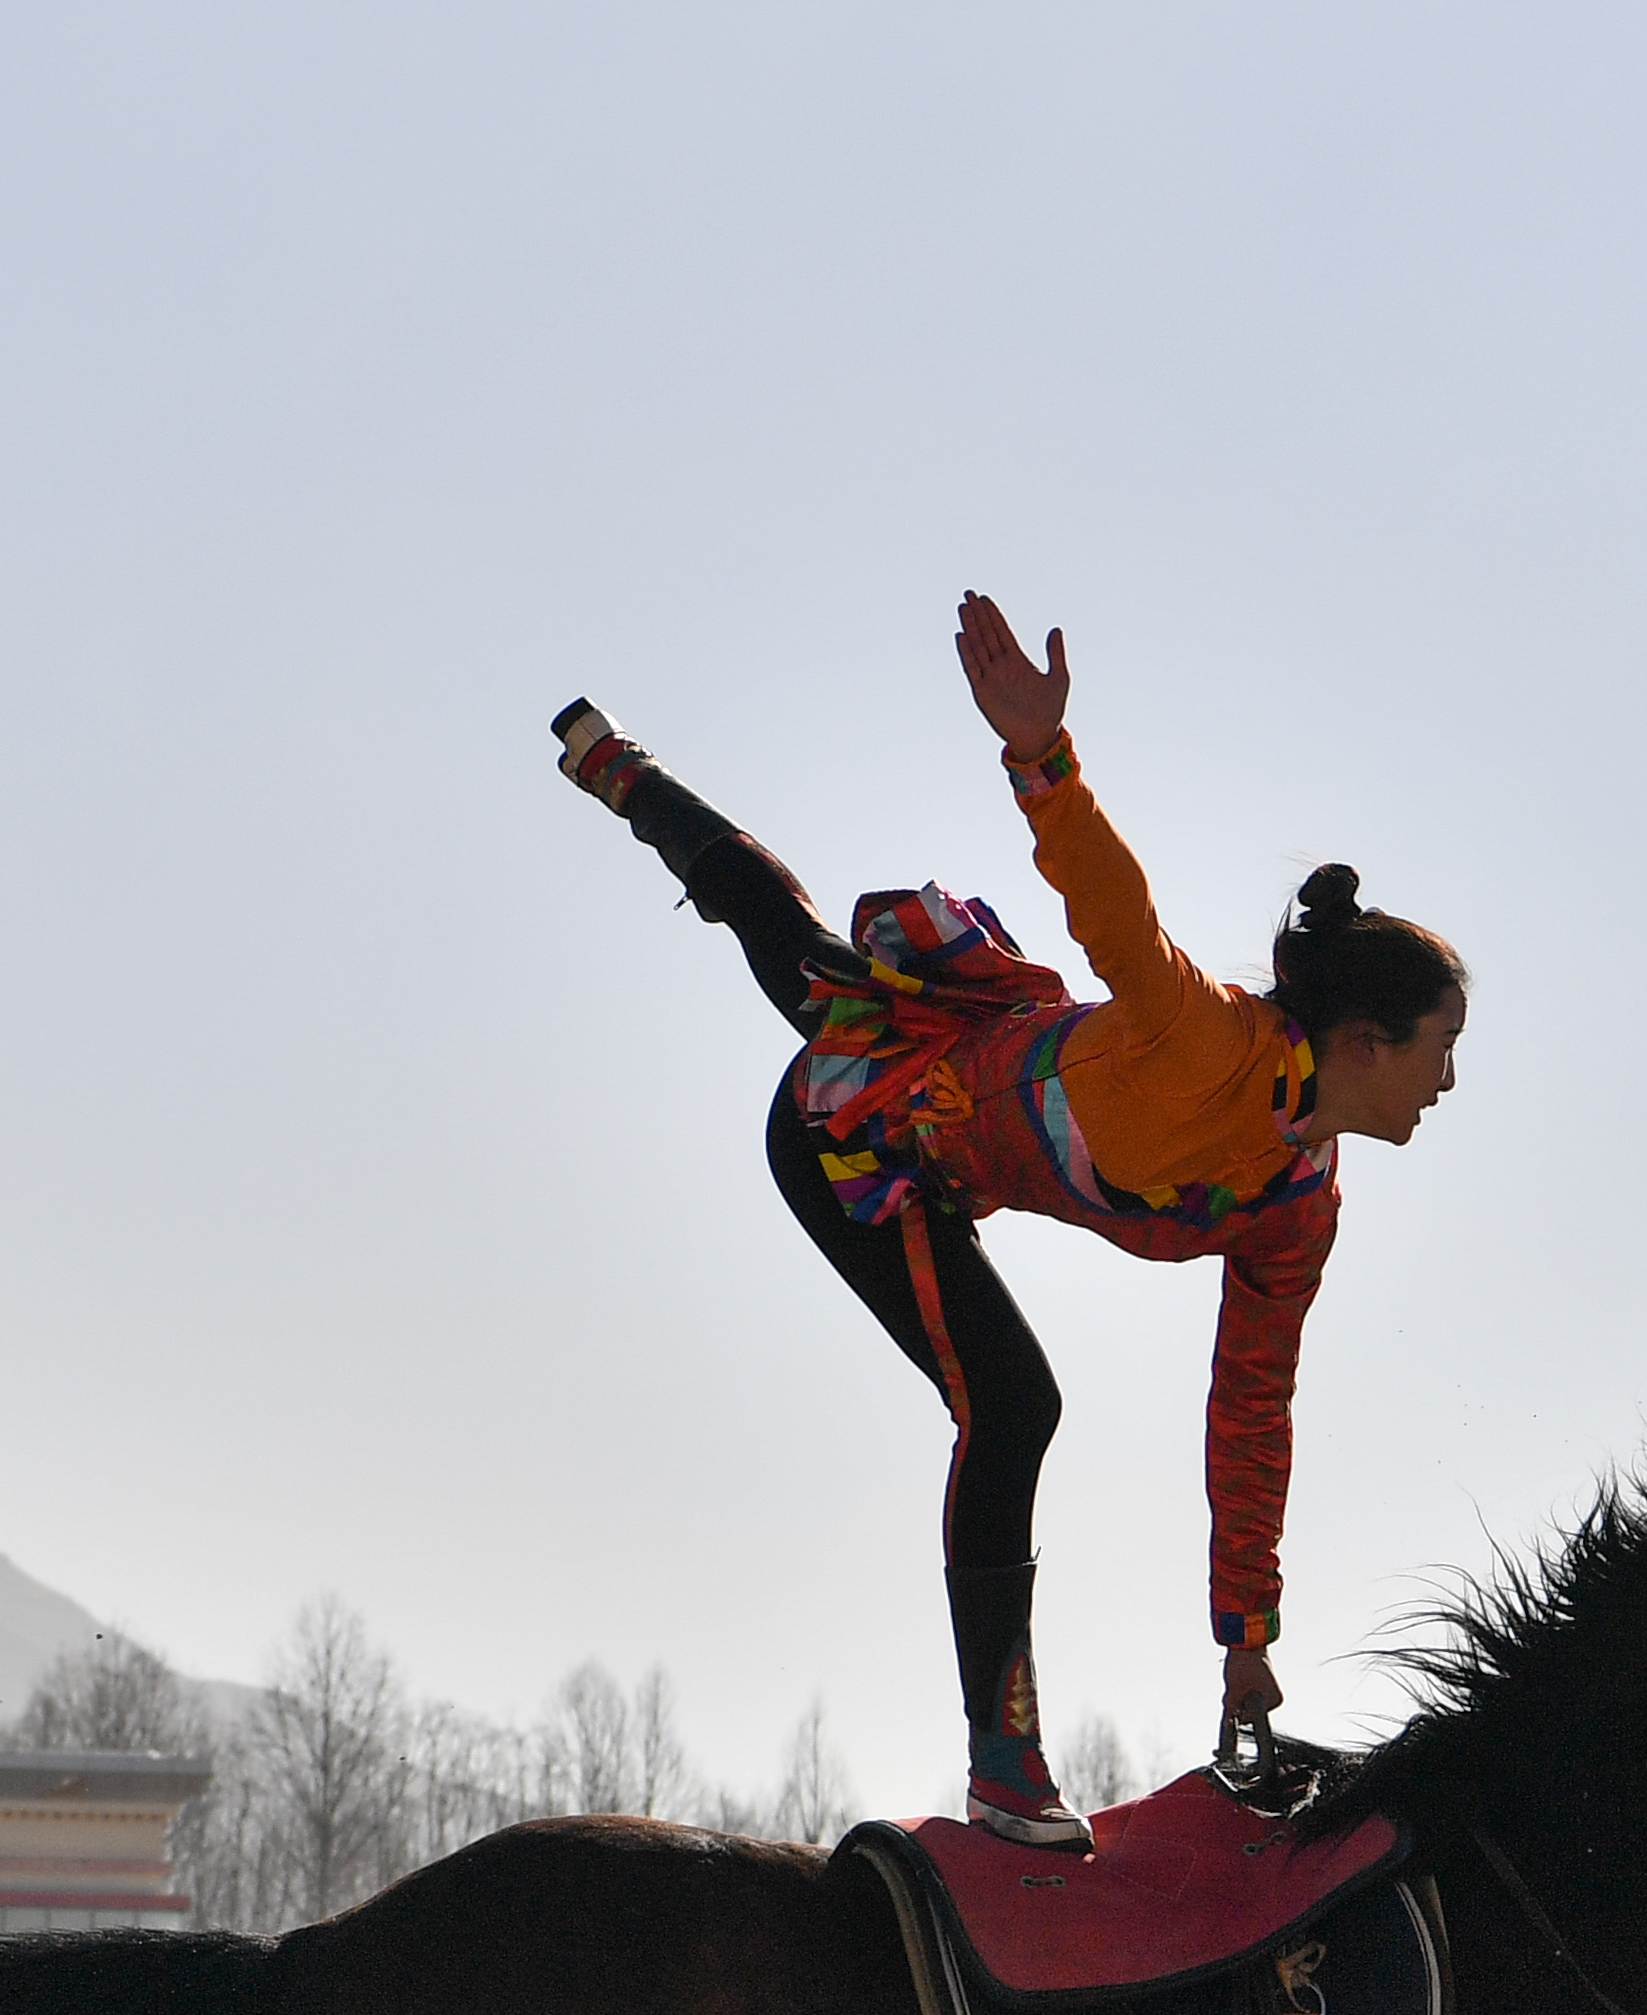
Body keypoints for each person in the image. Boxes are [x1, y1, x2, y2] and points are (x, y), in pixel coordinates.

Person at [556, 593, 1467, 1849]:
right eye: (1440, 1050)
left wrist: (1245, 1633)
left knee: (800, 961)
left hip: (950, 1145)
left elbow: (1251, 1404)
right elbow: (1114, 909)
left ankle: (631, 779)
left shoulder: (1296, 1209)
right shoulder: (1205, 1040)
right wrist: (1041, 755)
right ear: (1364, 1040)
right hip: (856, 1142)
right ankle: (1005, 1765)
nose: (1449, 1084)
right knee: (1012, 1395)